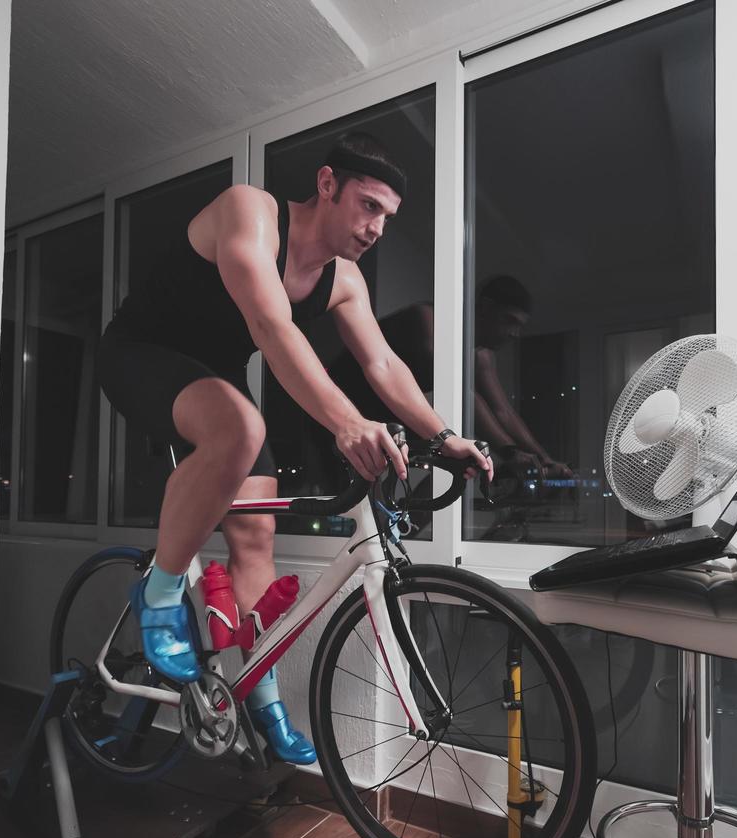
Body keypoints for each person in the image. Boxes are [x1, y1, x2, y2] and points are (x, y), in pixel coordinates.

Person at [97, 132, 491, 765]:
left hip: (215, 386)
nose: (377, 227)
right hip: (139, 355)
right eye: (368, 205)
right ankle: (160, 592)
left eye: (387, 217)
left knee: (256, 542)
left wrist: (444, 437)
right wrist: (344, 422)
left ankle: (263, 704)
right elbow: (270, 326)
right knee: (244, 427)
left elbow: (383, 364)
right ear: (328, 184)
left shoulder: (345, 283)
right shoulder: (249, 211)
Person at [336, 276, 573, 480]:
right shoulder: (427, 318)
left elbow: (503, 412)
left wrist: (545, 459)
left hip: (390, 413)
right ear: (485, 308)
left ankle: (414, 527)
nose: (514, 333)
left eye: (519, 326)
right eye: (509, 321)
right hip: (343, 403)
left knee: (463, 463)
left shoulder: (481, 356)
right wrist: (509, 451)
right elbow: (461, 393)